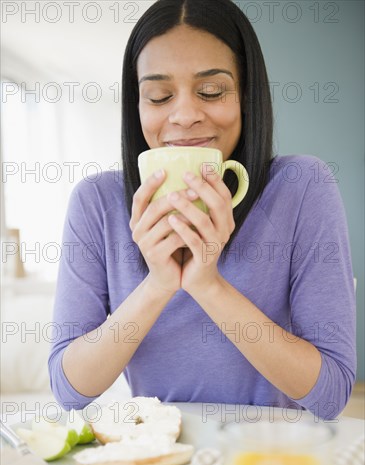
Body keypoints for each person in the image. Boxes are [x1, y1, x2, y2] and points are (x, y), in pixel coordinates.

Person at [48, 0, 356, 419]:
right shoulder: (96, 202)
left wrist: (209, 286)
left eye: (211, 91)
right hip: (158, 455)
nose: (185, 115)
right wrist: (157, 285)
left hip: (266, 460)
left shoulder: (302, 187)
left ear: (246, 95)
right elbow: (70, 391)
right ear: (135, 105)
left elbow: (331, 394)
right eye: (158, 96)